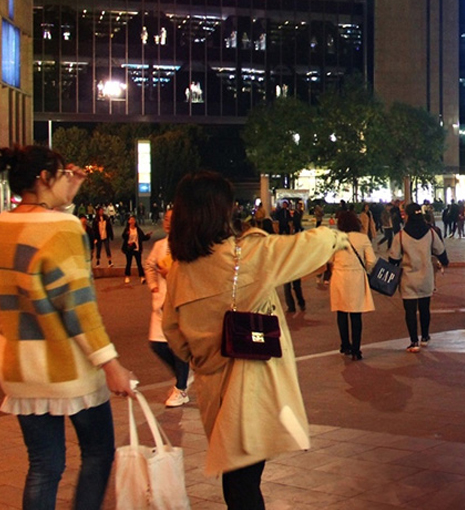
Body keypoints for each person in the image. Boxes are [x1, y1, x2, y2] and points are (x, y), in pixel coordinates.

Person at [162, 171, 345, 510]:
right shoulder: (244, 255)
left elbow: (172, 330)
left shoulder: (179, 269)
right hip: (249, 386)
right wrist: (338, 237)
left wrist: (203, 359)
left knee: (237, 478)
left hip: (211, 388)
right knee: (243, 484)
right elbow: (307, 246)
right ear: (219, 210)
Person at [0, 145, 135, 510]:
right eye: (63, 175)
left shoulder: (3, 226)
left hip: (20, 372)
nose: (70, 180)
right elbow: (79, 309)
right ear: (44, 178)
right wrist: (111, 365)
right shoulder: (64, 228)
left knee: (44, 466)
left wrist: (66, 198)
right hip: (69, 371)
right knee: (98, 452)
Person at [144, 208, 191, 407]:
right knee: (157, 344)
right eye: (166, 218)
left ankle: (181, 388)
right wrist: (153, 286)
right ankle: (183, 376)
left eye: (173, 219)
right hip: (161, 303)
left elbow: (190, 274)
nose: (168, 222)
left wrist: (169, 274)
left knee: (178, 346)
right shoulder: (160, 246)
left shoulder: (188, 246)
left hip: (179, 303)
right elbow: (149, 265)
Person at [390, 203, 447, 352]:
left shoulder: (400, 236)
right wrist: (443, 262)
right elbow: (441, 251)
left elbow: (393, 259)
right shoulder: (431, 233)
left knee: (410, 311)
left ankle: (414, 341)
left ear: (407, 216)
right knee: (424, 309)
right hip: (426, 277)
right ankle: (425, 337)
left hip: (408, 278)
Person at [329, 211, 377, 360]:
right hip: (356, 277)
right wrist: (365, 270)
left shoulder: (335, 238)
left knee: (341, 312)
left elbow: (329, 259)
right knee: (356, 315)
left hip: (339, 277)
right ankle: (356, 349)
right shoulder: (362, 238)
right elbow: (371, 260)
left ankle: (345, 345)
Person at [120, 214, 150, 284]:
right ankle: (127, 276)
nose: (132, 221)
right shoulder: (127, 229)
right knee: (129, 263)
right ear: (128, 221)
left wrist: (148, 236)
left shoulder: (138, 229)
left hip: (137, 248)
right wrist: (127, 234)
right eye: (131, 220)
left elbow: (142, 237)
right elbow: (123, 237)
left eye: (133, 220)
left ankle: (142, 277)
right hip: (129, 248)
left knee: (139, 263)